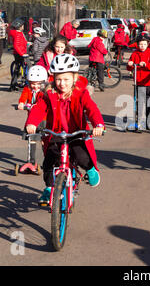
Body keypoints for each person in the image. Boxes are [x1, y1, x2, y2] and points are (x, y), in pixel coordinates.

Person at [25, 54, 105, 205]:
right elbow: (38, 109)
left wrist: (98, 125)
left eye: (66, 79)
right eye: (58, 79)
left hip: (76, 133)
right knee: (49, 161)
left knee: (81, 155)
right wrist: (32, 123)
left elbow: (91, 109)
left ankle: (90, 170)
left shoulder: (81, 93)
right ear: (53, 78)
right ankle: (49, 188)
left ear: (74, 77)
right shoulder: (49, 94)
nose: (62, 83)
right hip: (55, 133)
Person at [17, 65, 47, 166]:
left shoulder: (44, 92)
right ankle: (31, 161)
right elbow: (24, 96)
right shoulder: (28, 89)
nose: (35, 86)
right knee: (31, 138)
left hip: (44, 120)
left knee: (45, 140)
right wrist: (21, 103)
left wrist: (36, 105)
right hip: (32, 120)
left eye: (38, 84)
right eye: (33, 84)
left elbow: (43, 101)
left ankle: (48, 160)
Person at [126, 34, 150, 131]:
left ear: (148, 44)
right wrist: (130, 64)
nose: (142, 46)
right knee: (140, 102)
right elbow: (129, 67)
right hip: (138, 82)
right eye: (140, 44)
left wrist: (146, 65)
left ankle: (148, 122)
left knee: (148, 102)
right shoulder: (135, 54)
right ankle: (139, 122)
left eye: (144, 44)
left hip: (149, 81)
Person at [8, 18, 30, 91]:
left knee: (19, 68)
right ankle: (13, 85)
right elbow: (16, 45)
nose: (23, 27)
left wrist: (27, 43)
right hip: (19, 53)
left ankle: (14, 85)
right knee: (17, 69)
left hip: (21, 52)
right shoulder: (17, 34)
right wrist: (22, 54)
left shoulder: (18, 33)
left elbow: (22, 42)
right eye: (22, 26)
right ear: (19, 26)